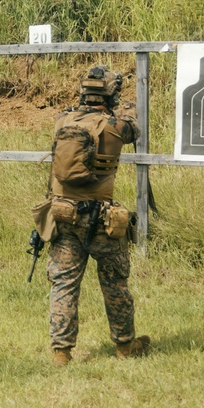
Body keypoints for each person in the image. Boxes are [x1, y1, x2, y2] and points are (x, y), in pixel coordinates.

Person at [43, 65, 150, 365]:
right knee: (115, 283)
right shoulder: (115, 127)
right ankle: (124, 346)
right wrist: (126, 106)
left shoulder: (62, 120)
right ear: (110, 95)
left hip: (64, 214)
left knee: (64, 284)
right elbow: (134, 127)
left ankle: (61, 352)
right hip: (102, 219)